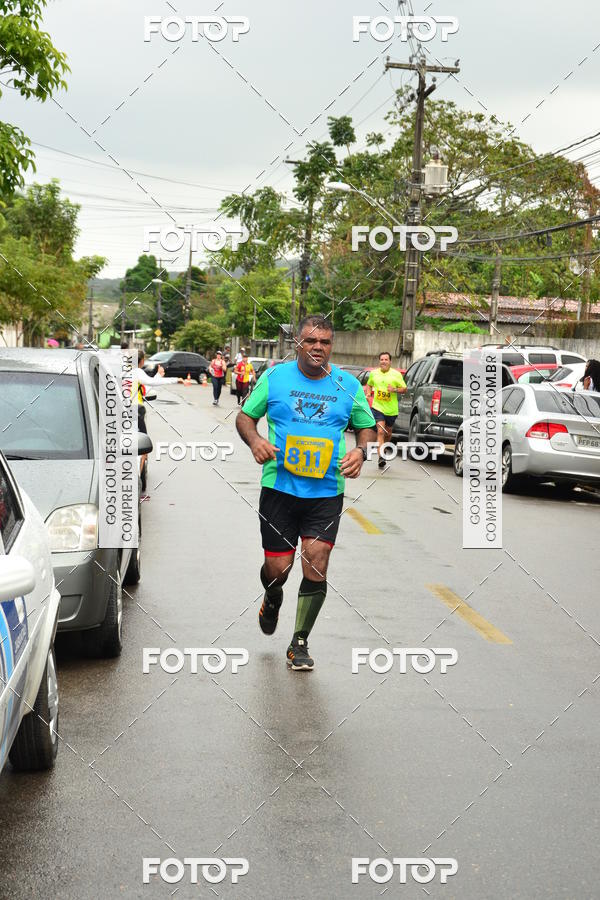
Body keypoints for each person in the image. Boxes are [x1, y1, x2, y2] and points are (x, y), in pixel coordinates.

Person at [236, 315, 376, 671]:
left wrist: (361, 451)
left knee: (316, 560)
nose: (318, 347)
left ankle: (299, 642)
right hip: (279, 488)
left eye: (325, 342)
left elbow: (367, 428)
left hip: (326, 491)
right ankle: (273, 593)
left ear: (332, 346)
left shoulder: (347, 385)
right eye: (311, 341)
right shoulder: (275, 377)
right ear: (298, 343)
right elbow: (244, 417)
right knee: (278, 567)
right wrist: (255, 441)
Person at [365, 352, 407, 468]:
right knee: (380, 431)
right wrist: (368, 394)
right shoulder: (374, 373)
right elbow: (369, 384)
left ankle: (385, 445)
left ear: (390, 362)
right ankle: (381, 457)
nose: (383, 361)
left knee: (387, 433)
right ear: (379, 361)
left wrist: (394, 389)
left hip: (391, 410)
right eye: (382, 359)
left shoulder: (396, 375)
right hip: (378, 407)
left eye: (386, 359)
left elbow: (404, 389)